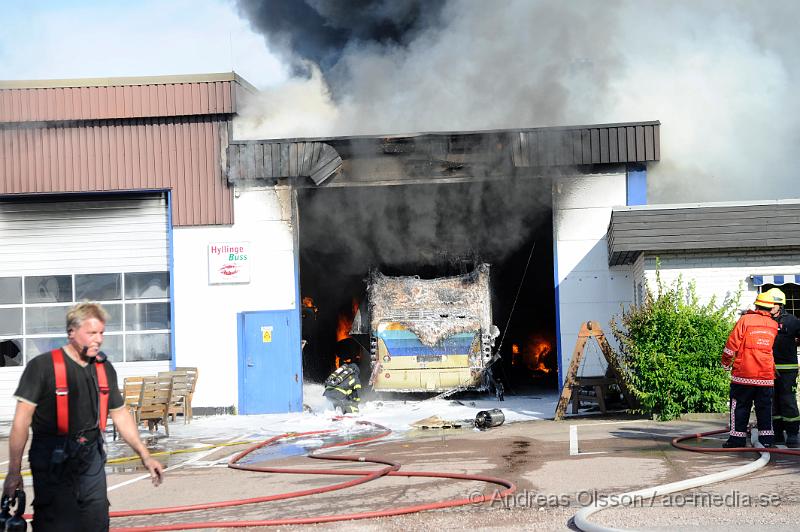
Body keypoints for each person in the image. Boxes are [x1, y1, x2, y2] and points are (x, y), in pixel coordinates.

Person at [2, 302, 164, 531]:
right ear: (71, 333)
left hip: (91, 457)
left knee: (97, 522)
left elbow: (120, 415)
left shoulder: (104, 368)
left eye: (101, 333)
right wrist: (13, 472)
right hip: (52, 461)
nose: (98, 339)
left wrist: (145, 456)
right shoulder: (42, 367)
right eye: (91, 333)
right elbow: (20, 423)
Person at [721, 291, 780, 448]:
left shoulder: (745, 320)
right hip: (766, 376)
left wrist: (725, 363)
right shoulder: (774, 325)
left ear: (757, 305)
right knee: (765, 408)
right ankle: (767, 440)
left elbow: (731, 344)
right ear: (771, 308)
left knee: (740, 406)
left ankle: (737, 440)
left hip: (743, 374)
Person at [763, 288, 800, 448]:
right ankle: (777, 433)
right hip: (767, 368)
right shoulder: (764, 320)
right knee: (772, 402)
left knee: (788, 401)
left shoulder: (792, 321)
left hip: (787, 369)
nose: (770, 306)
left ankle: (792, 433)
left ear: (780, 304)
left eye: (773, 303)